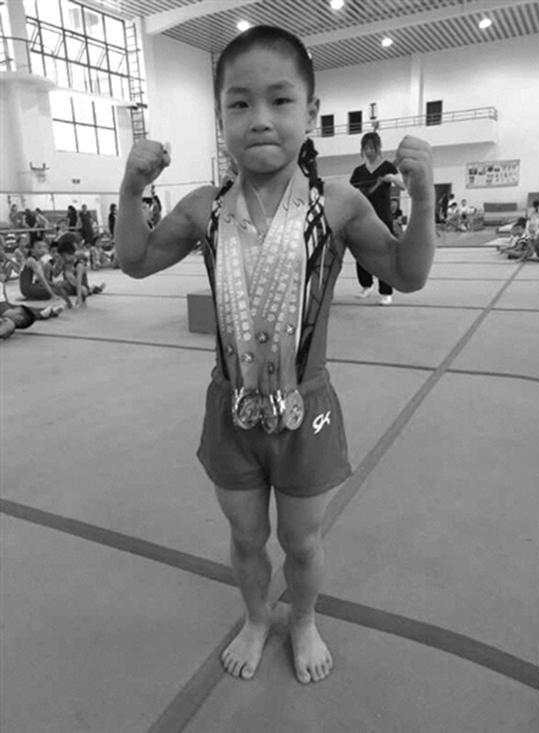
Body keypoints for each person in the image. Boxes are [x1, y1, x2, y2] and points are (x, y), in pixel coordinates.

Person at [116, 24, 435, 685]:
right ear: (221, 119)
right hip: (229, 408)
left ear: (310, 112)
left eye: (280, 100)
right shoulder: (203, 208)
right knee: (243, 536)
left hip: (306, 410)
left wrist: (424, 198)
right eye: (240, 103)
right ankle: (258, 616)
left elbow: (407, 274)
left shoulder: (338, 204)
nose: (260, 118)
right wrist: (128, 188)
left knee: (302, 540)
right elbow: (134, 260)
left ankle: (305, 618)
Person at [349, 131, 406, 304]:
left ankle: (386, 291)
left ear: (378, 148)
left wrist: (393, 178)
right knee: (361, 252)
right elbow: (352, 192)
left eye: (372, 148)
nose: (369, 151)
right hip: (363, 217)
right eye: (366, 148)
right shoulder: (359, 171)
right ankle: (366, 285)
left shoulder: (387, 166)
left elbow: (403, 186)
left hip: (382, 216)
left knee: (384, 254)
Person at [56, 235, 106, 307]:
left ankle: (91, 290)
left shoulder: (79, 265)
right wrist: (58, 266)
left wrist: (79, 298)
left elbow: (79, 283)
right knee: (58, 285)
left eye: (64, 256)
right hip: (71, 286)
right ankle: (69, 303)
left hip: (81, 288)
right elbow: (55, 275)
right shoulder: (64, 263)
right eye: (62, 256)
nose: (63, 258)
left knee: (73, 279)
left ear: (71, 254)